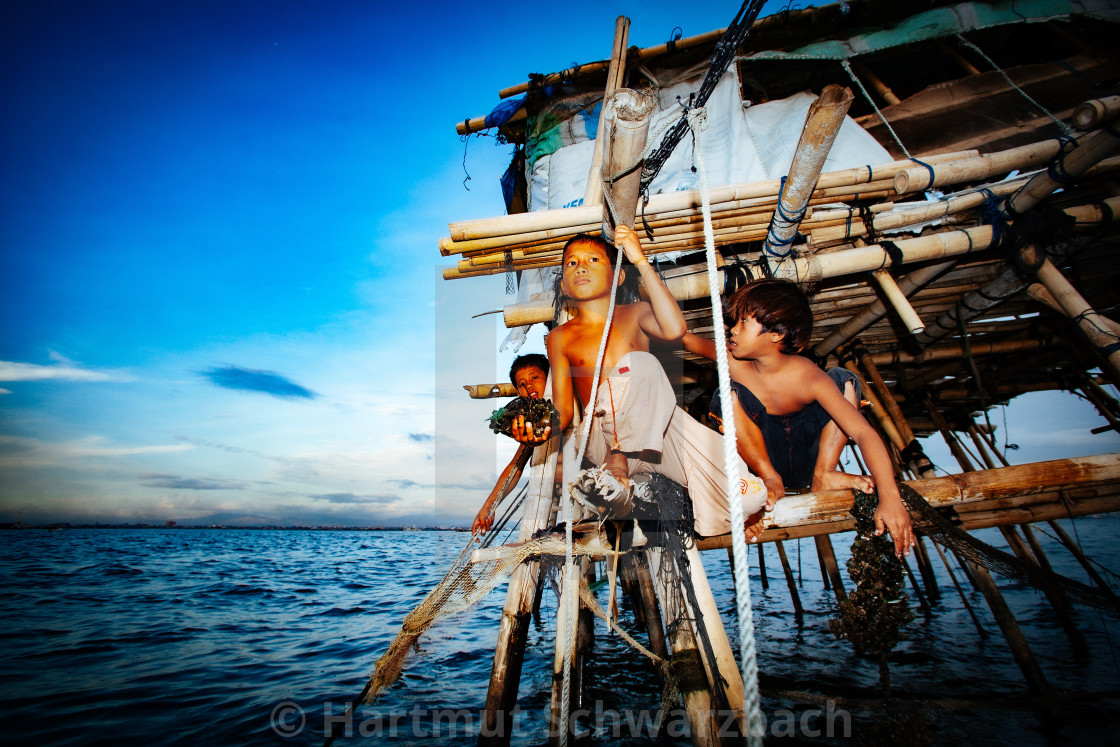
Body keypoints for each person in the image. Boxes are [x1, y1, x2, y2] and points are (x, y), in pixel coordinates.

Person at [508, 225, 768, 538]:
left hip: (657, 434)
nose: (581, 267)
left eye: (593, 260)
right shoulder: (560, 337)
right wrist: (538, 429)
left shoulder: (636, 312)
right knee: (640, 364)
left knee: (751, 494)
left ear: (617, 277)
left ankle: (702, 507)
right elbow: (563, 411)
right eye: (571, 263)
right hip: (602, 438)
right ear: (564, 285)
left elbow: (674, 330)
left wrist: (639, 259)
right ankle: (616, 467)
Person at [682, 278, 914, 557]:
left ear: (776, 335)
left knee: (844, 379)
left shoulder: (809, 376)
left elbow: (863, 433)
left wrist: (890, 497)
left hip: (811, 458)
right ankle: (769, 479)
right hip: (765, 465)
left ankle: (824, 474)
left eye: (744, 322)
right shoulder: (731, 361)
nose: (733, 329)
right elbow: (679, 335)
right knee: (725, 392)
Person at [472, 354, 550, 537]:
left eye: (534, 377)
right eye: (521, 384)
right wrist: (488, 507)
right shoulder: (533, 421)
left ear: (551, 377)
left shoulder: (568, 407)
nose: (528, 385)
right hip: (547, 485)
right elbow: (515, 468)